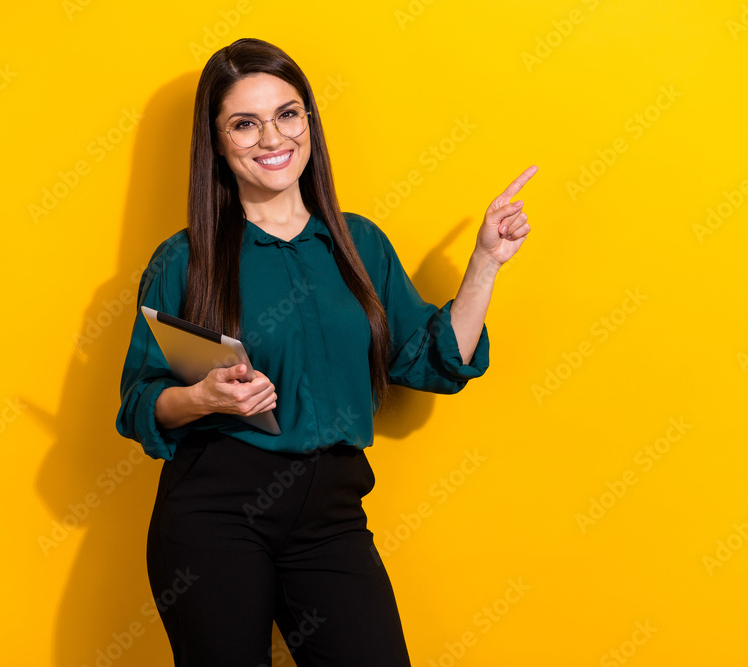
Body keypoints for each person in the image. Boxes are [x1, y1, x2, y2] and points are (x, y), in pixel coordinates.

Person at [115, 37, 536, 666]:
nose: (271, 137)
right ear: (217, 141)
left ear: (308, 121)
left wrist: (485, 262)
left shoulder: (358, 243)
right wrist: (203, 396)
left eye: (287, 114)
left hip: (331, 518)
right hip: (215, 518)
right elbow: (139, 404)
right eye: (244, 123)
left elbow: (434, 359)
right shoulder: (184, 260)